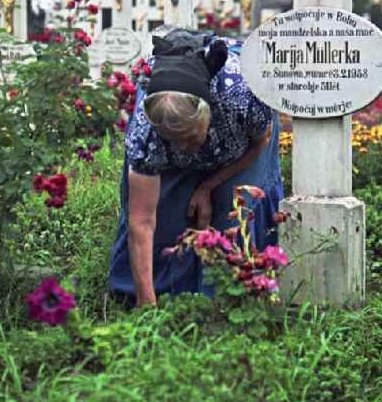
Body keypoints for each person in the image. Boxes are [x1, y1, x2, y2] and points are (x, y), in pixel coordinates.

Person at [108, 30, 283, 307]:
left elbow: (258, 144)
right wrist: (146, 306)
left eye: (191, 138)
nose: (185, 148)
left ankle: (227, 304)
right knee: (166, 217)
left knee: (233, 214)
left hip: (239, 147)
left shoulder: (242, 97)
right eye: (174, 141)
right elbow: (141, 222)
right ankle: (156, 295)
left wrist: (208, 186)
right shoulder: (145, 133)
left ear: (209, 116)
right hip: (178, 120)